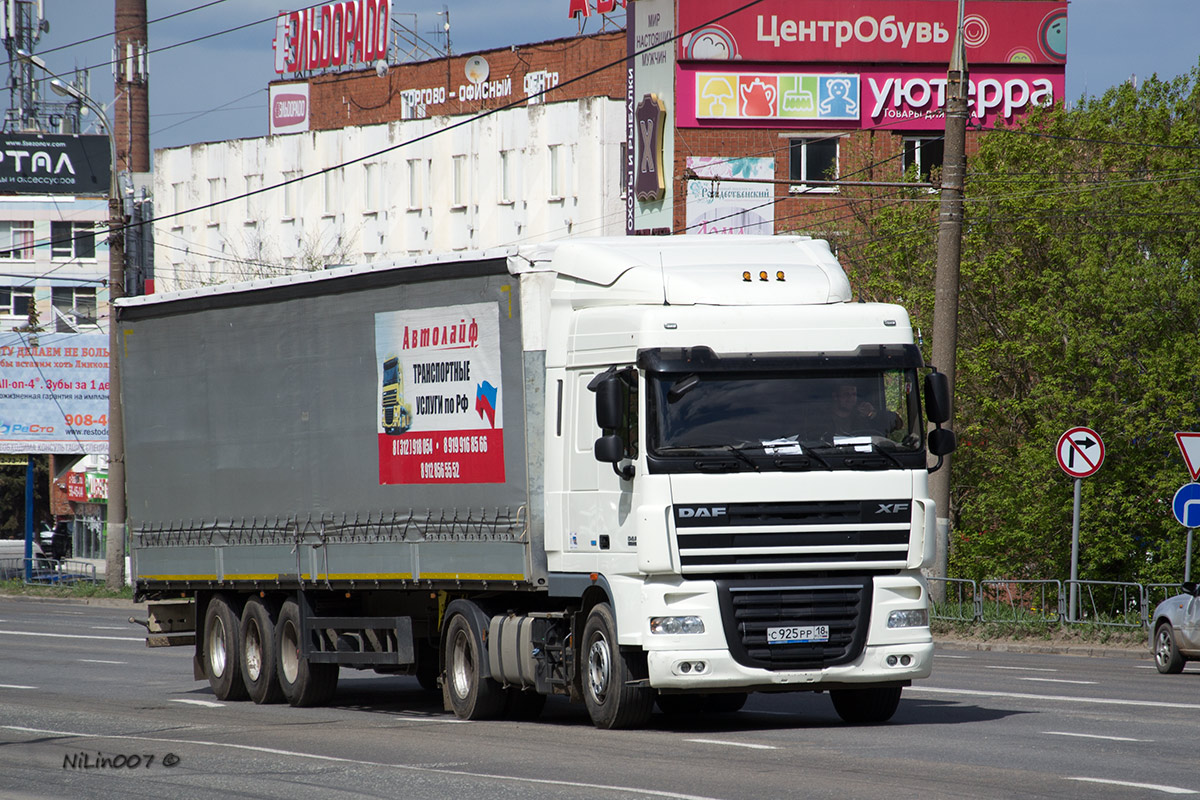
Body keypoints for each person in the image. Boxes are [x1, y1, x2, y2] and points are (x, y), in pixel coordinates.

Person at [829, 381, 899, 436]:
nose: (851, 398)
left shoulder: (863, 418)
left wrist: (873, 414)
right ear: (835, 396)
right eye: (846, 394)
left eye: (854, 394)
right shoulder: (823, 419)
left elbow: (897, 424)